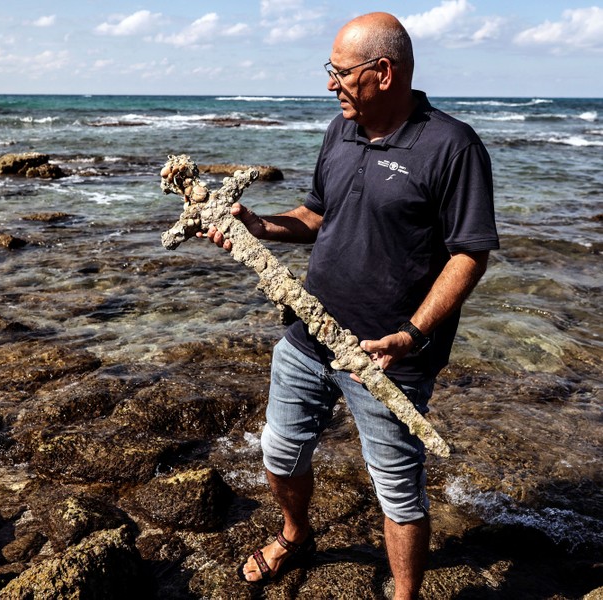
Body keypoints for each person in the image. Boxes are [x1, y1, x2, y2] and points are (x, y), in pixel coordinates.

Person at [202, 12, 499, 598]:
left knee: (397, 487)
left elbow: (469, 254)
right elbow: (317, 215)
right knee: (280, 450)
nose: (330, 84)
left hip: (389, 358)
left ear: (383, 72)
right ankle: (295, 535)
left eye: (340, 72)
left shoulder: (452, 146)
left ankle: (406, 593)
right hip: (308, 336)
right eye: (329, 70)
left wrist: (412, 334)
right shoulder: (341, 130)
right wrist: (260, 225)